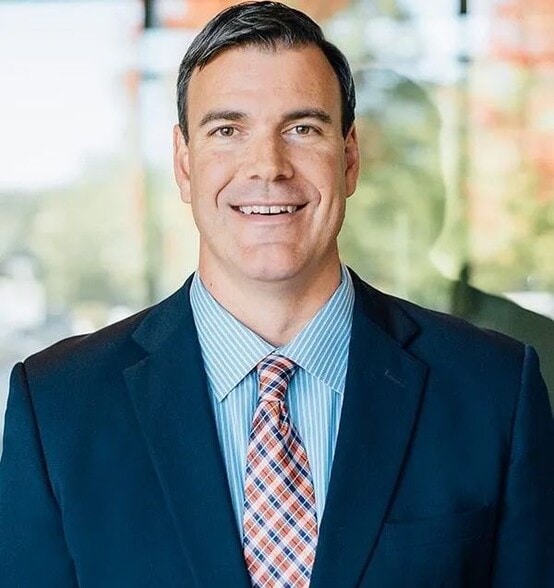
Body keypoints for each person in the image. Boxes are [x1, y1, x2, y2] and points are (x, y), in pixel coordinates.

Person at [0, 2, 553, 586]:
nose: (268, 166)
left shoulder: (493, 390)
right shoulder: (58, 407)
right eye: (228, 130)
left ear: (349, 158)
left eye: (302, 129)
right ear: (184, 164)